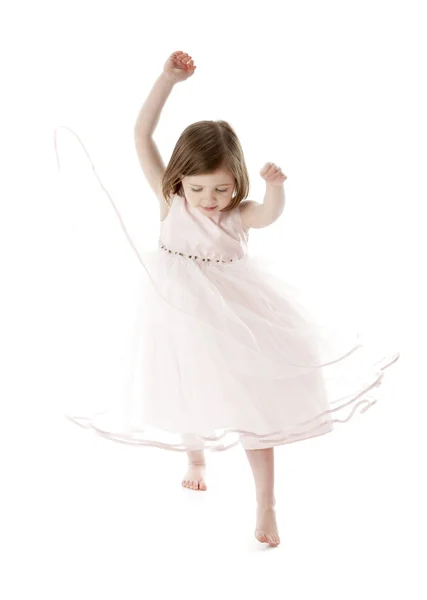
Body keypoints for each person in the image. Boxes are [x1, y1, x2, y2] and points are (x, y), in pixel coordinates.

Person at [54, 50, 400, 548]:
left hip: (234, 315)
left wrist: (274, 188)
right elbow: (141, 134)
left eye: (221, 188)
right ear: (180, 181)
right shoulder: (169, 199)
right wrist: (166, 81)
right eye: (199, 188)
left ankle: (266, 502)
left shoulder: (238, 214)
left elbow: (268, 216)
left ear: (236, 181)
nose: (210, 199)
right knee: (182, 385)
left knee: (252, 406)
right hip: (176, 310)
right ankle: (194, 453)